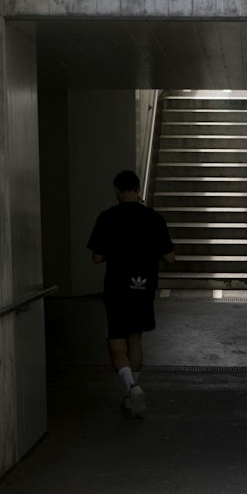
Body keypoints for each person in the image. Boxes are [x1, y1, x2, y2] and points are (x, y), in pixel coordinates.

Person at [87, 170, 176, 416]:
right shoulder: (154, 218)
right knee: (135, 339)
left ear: (116, 190)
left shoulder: (107, 217)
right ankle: (131, 393)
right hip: (143, 286)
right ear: (138, 189)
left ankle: (131, 387)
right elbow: (170, 257)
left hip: (116, 288)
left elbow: (96, 257)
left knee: (116, 343)